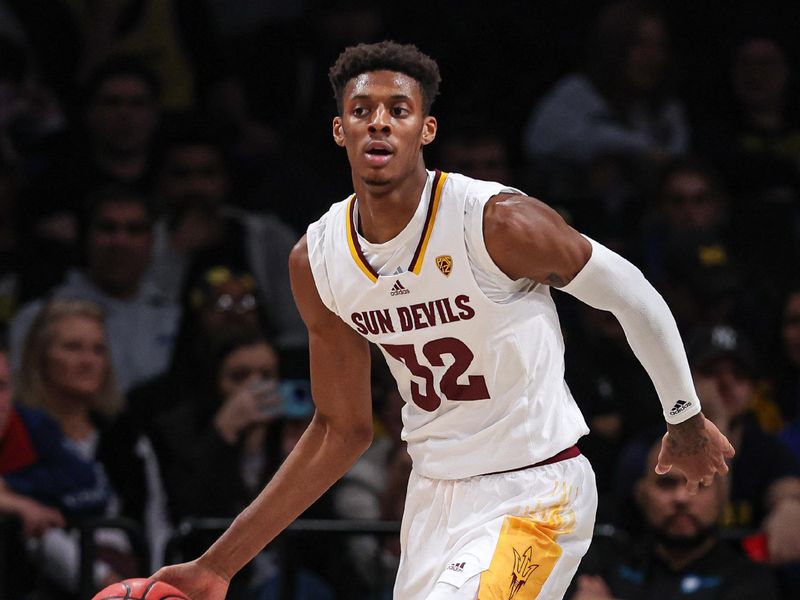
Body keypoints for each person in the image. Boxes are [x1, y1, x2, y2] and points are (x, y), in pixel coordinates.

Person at [153, 40, 733, 600]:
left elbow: (632, 294)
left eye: (398, 111)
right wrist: (217, 565)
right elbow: (340, 429)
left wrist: (683, 414)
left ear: (426, 129)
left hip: (535, 488)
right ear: (340, 131)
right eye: (361, 111)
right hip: (431, 500)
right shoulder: (318, 261)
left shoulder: (497, 222)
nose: (379, 123)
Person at [568, 438, 780, 600]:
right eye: (666, 483)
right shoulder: (603, 564)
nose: (681, 497)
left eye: (699, 484)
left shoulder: (750, 579)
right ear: (642, 494)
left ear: (722, 497)